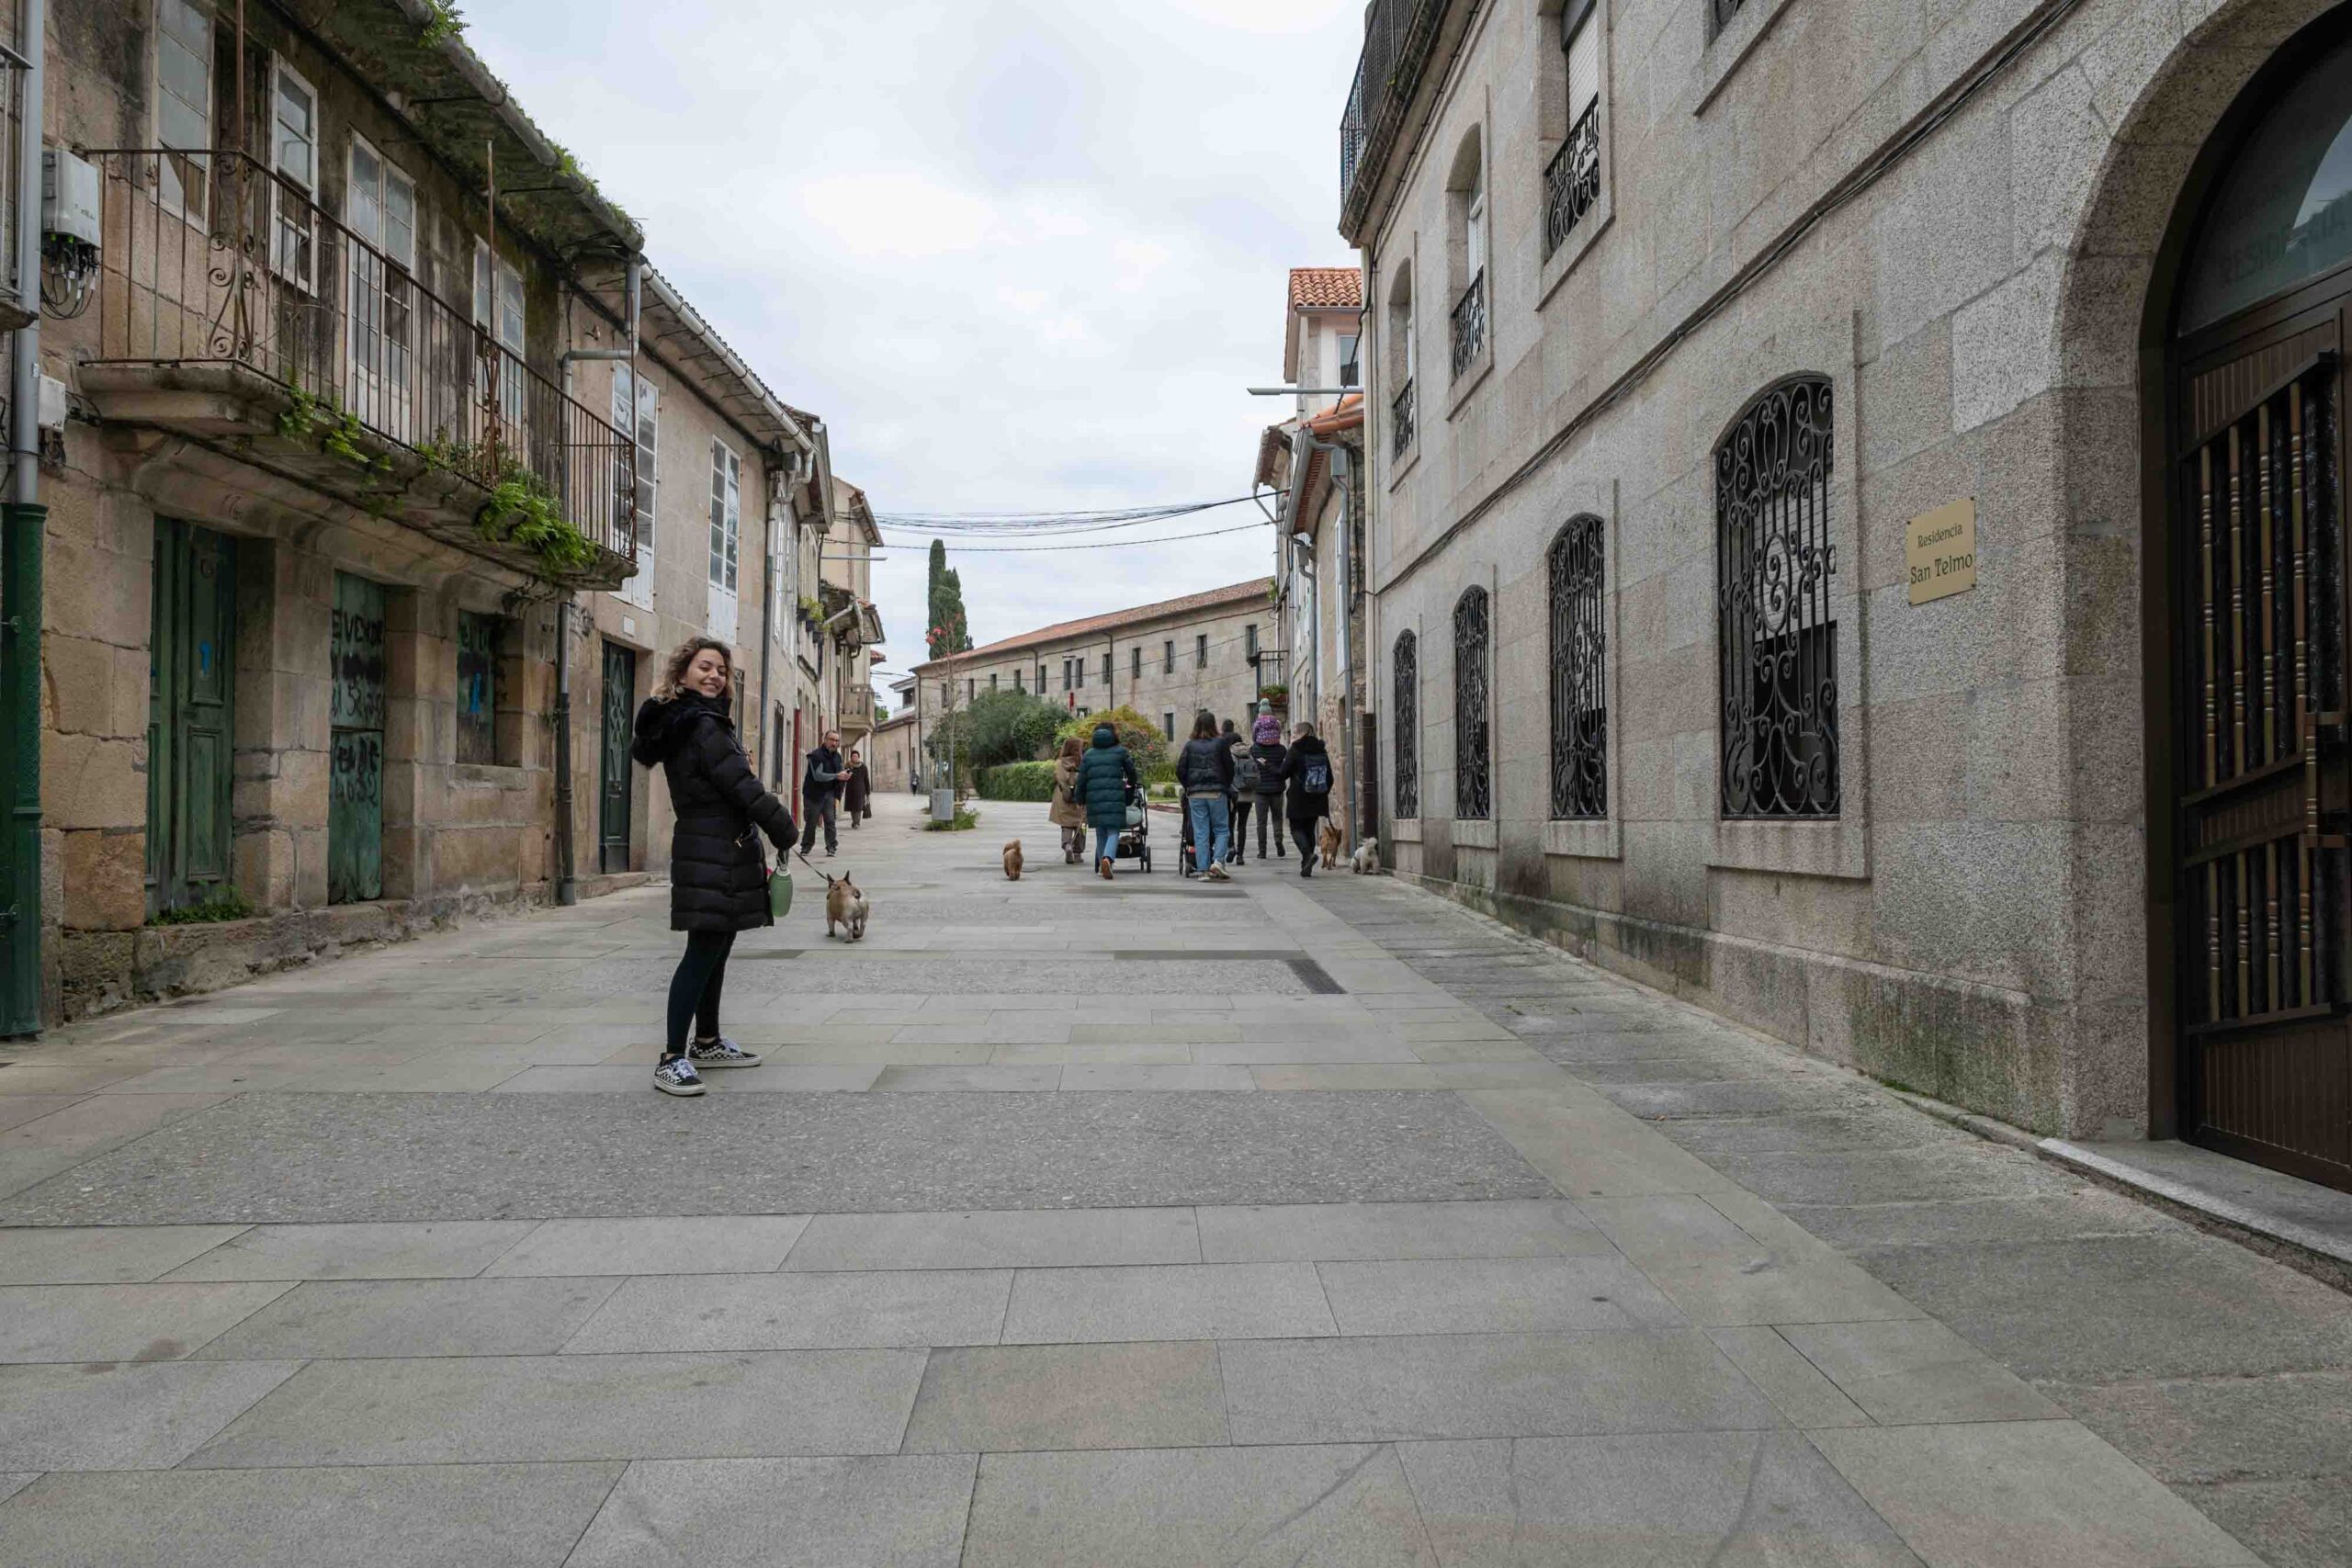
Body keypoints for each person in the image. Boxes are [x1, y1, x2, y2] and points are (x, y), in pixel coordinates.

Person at [630, 637, 795, 1097]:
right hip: (712, 846)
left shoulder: (695, 723)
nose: (714, 676)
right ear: (683, 673)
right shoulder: (703, 726)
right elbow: (741, 785)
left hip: (717, 844)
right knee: (703, 949)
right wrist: (784, 828)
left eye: (721, 670)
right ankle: (671, 1057)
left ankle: (707, 1040)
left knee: (717, 944)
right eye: (705, 667)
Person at [1075, 720, 1137, 880]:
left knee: (1101, 832)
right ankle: (1107, 859)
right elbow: (1132, 772)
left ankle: (1102, 866)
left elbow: (1081, 779)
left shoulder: (1088, 754)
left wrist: (1079, 798)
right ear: (1113, 735)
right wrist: (1131, 785)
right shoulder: (1120, 751)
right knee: (1113, 831)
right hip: (1115, 797)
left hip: (1094, 799)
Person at [1177, 710, 1234, 880]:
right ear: (1214, 725)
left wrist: (1189, 786)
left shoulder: (1190, 745)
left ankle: (1203, 870)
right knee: (1222, 829)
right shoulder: (1221, 743)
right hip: (1216, 792)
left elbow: (1180, 769)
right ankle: (1217, 861)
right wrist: (1225, 784)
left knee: (1201, 832)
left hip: (1195, 794)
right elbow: (1229, 767)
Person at [1279, 720, 1333, 878]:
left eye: (1295, 733)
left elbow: (1283, 773)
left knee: (1295, 828)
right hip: (1317, 797)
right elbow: (1329, 778)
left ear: (1302, 733)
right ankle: (1305, 865)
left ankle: (1307, 855)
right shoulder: (1320, 750)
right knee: (1309, 829)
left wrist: (1269, 767)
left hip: (1298, 796)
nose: (1293, 736)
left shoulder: (1295, 749)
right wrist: (1321, 791)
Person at [1248, 714, 1289, 860]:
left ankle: (1262, 850)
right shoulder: (1282, 750)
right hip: (1277, 789)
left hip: (1260, 791)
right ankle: (1278, 841)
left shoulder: (1254, 750)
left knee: (1261, 822)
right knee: (1277, 818)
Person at [799, 728, 845, 857]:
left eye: (836, 741)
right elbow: (818, 776)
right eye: (831, 740)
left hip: (829, 793)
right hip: (814, 794)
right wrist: (837, 776)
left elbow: (840, 771)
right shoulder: (816, 755)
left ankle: (831, 847)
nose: (834, 743)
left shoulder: (837, 757)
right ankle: (806, 847)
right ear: (825, 740)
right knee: (811, 821)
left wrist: (845, 776)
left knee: (830, 821)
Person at [1049, 734, 1087, 863]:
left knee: (1066, 825)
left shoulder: (1060, 763)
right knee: (1080, 825)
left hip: (1063, 797)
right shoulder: (1082, 763)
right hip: (1079, 798)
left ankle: (1067, 845)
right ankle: (1078, 853)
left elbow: (1057, 778)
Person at [1218, 717, 1249, 866]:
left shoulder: (1221, 744)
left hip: (1231, 791)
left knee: (1229, 822)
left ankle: (1231, 847)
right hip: (1246, 792)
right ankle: (1241, 856)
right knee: (1242, 824)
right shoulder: (1246, 752)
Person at [843, 748, 872, 829]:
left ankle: (857, 823)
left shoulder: (863, 767)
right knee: (852, 807)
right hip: (850, 789)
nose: (854, 758)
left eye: (856, 756)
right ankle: (854, 821)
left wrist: (868, 792)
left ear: (858, 757)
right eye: (853, 756)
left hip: (860, 790)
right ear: (851, 757)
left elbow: (866, 779)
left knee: (859, 807)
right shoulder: (847, 766)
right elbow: (844, 776)